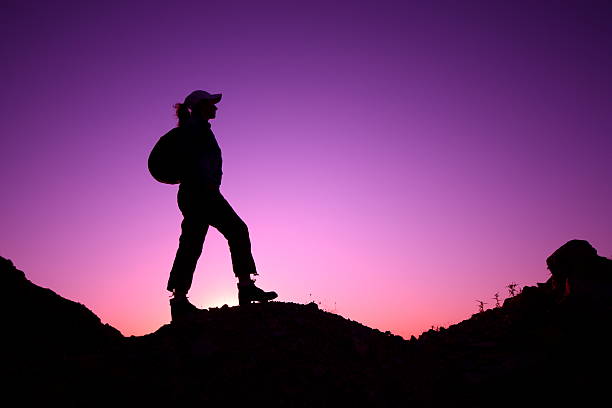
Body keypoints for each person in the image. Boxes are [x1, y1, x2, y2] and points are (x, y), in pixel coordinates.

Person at [167, 90, 277, 321]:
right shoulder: (195, 130)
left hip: (194, 192)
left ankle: (179, 302)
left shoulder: (196, 129)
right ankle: (245, 287)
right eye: (211, 104)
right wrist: (205, 184)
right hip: (201, 192)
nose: (216, 108)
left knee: (191, 243)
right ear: (201, 107)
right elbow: (193, 161)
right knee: (236, 230)